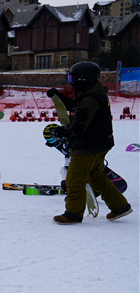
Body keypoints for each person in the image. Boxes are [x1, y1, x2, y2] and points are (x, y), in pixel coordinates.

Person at [47, 61, 132, 224]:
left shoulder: (90, 98)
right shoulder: (91, 93)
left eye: (73, 78)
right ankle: (120, 206)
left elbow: (79, 127)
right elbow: (76, 107)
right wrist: (60, 97)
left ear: (83, 79)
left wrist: (62, 132)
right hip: (99, 143)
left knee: (74, 179)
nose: (71, 82)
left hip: (88, 145)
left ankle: (73, 214)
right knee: (96, 176)